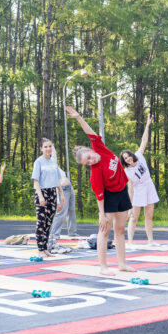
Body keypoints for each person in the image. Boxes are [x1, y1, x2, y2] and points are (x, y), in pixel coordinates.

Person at [65, 106, 135, 276]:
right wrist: (101, 214)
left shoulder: (100, 149)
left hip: (122, 192)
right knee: (104, 230)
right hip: (109, 197)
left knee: (120, 229)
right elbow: (100, 196)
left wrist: (78, 117)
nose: (91, 161)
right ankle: (103, 267)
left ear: (90, 150)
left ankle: (122, 264)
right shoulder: (95, 174)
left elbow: (91, 133)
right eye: (86, 163)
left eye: (89, 157)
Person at [123, 114, 158, 248]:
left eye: (128, 156)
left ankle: (150, 241)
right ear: (124, 161)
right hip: (138, 191)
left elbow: (144, 141)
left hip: (148, 185)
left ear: (132, 155)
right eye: (125, 159)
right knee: (134, 217)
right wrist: (130, 204)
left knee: (149, 216)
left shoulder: (139, 155)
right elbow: (130, 188)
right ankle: (130, 242)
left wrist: (147, 125)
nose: (128, 159)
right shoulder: (128, 172)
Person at [31, 138, 67, 257]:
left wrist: (61, 197)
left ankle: (46, 248)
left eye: (50, 146)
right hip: (42, 192)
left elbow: (57, 181)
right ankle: (40, 249)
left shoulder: (53, 162)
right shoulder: (38, 162)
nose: (48, 149)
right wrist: (40, 197)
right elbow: (36, 181)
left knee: (48, 222)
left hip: (53, 193)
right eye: (45, 147)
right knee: (41, 222)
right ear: (41, 148)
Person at [49, 179, 78, 248]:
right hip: (62, 189)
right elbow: (54, 183)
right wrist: (58, 201)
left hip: (69, 187)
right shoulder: (51, 169)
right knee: (61, 212)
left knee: (71, 210)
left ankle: (72, 233)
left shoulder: (59, 169)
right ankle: (54, 234)